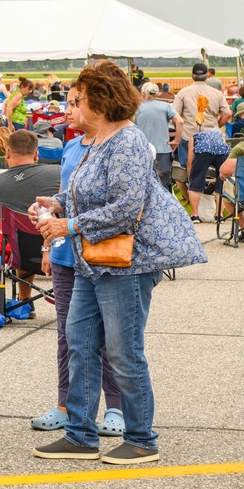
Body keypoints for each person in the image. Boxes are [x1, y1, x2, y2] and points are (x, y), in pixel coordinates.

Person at [31, 60, 205, 465]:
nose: (75, 103)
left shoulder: (125, 141)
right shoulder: (97, 140)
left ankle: (142, 438)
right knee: (81, 344)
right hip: (96, 262)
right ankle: (80, 435)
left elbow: (126, 207)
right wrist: (55, 204)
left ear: (101, 100)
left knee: (124, 353)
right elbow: (90, 194)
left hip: (127, 264)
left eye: (82, 97)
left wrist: (68, 225)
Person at [31, 87, 124, 437]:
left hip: (103, 253)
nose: (68, 111)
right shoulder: (72, 147)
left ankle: (115, 407)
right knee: (67, 336)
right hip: (66, 252)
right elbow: (66, 197)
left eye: (75, 104)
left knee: (107, 337)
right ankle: (66, 405)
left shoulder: (118, 144)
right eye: (68, 104)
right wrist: (48, 213)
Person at [0, 130, 61, 311]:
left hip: (23, 254)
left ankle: (25, 300)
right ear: (36, 154)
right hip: (58, 250)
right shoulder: (59, 174)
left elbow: (10, 226)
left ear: (8, 153)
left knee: (19, 236)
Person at [172, 62, 231, 197]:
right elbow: (227, 113)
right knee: (214, 168)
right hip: (212, 136)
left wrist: (180, 129)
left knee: (188, 166)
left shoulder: (183, 92)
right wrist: (217, 125)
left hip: (189, 135)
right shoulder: (216, 93)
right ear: (206, 77)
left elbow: (175, 116)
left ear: (192, 76)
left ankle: (191, 196)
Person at [135, 82, 182, 191]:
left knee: (143, 184)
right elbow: (180, 121)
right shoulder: (166, 107)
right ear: (157, 93)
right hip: (163, 150)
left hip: (142, 150)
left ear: (142, 93)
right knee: (163, 184)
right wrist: (176, 140)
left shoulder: (137, 108)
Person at [187, 126, 231, 222]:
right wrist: (218, 178)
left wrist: (190, 178)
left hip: (203, 150)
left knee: (195, 183)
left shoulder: (195, 137)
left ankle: (195, 216)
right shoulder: (221, 137)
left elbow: (190, 161)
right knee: (221, 184)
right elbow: (224, 169)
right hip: (222, 151)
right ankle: (219, 215)